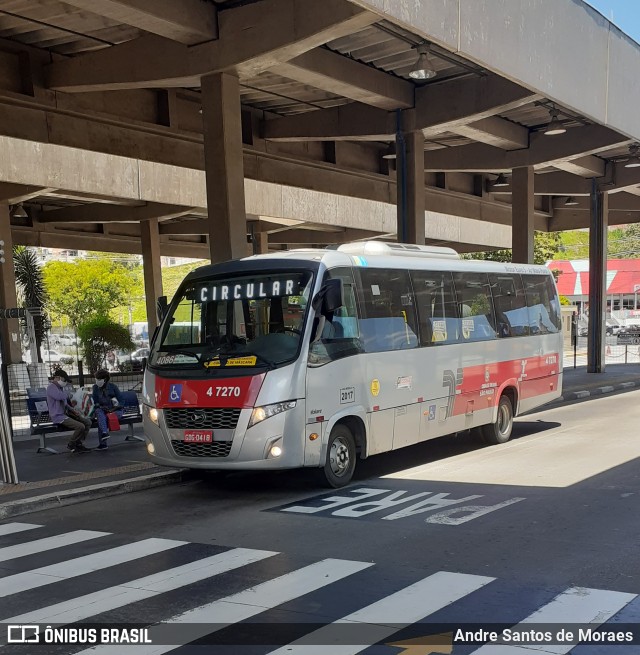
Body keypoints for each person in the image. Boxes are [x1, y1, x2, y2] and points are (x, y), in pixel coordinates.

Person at [46, 369, 92, 453]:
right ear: (57, 377)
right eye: (64, 380)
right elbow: (58, 397)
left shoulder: (60, 388)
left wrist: (73, 410)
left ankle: (79, 443)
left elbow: (65, 403)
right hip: (58, 416)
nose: (65, 383)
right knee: (80, 426)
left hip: (67, 413)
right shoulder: (51, 387)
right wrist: (69, 394)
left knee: (88, 422)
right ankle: (72, 444)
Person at [92, 368, 124, 450]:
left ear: (105, 379)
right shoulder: (95, 388)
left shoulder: (113, 387)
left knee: (102, 419)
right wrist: (101, 406)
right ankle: (104, 433)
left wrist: (112, 409)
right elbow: (95, 402)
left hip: (115, 410)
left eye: (99, 379)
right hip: (103, 410)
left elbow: (121, 401)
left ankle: (103, 441)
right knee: (99, 413)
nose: (97, 381)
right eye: (96, 379)